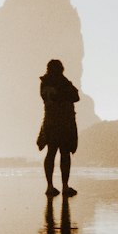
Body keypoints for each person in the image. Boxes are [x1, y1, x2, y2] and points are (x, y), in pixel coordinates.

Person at [37, 58, 79, 197]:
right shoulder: (62, 83)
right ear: (60, 69)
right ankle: (65, 186)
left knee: (51, 153)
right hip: (63, 123)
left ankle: (49, 186)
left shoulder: (44, 84)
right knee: (65, 154)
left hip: (49, 121)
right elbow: (75, 96)